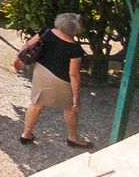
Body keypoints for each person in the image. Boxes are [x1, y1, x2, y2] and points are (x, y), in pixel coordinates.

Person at [18, 12, 94, 148]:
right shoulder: (75, 49)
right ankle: (73, 138)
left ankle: (26, 134)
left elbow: (28, 45)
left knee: (36, 104)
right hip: (61, 79)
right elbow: (74, 74)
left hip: (41, 72)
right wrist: (76, 96)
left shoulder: (46, 31)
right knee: (70, 108)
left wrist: (18, 59)